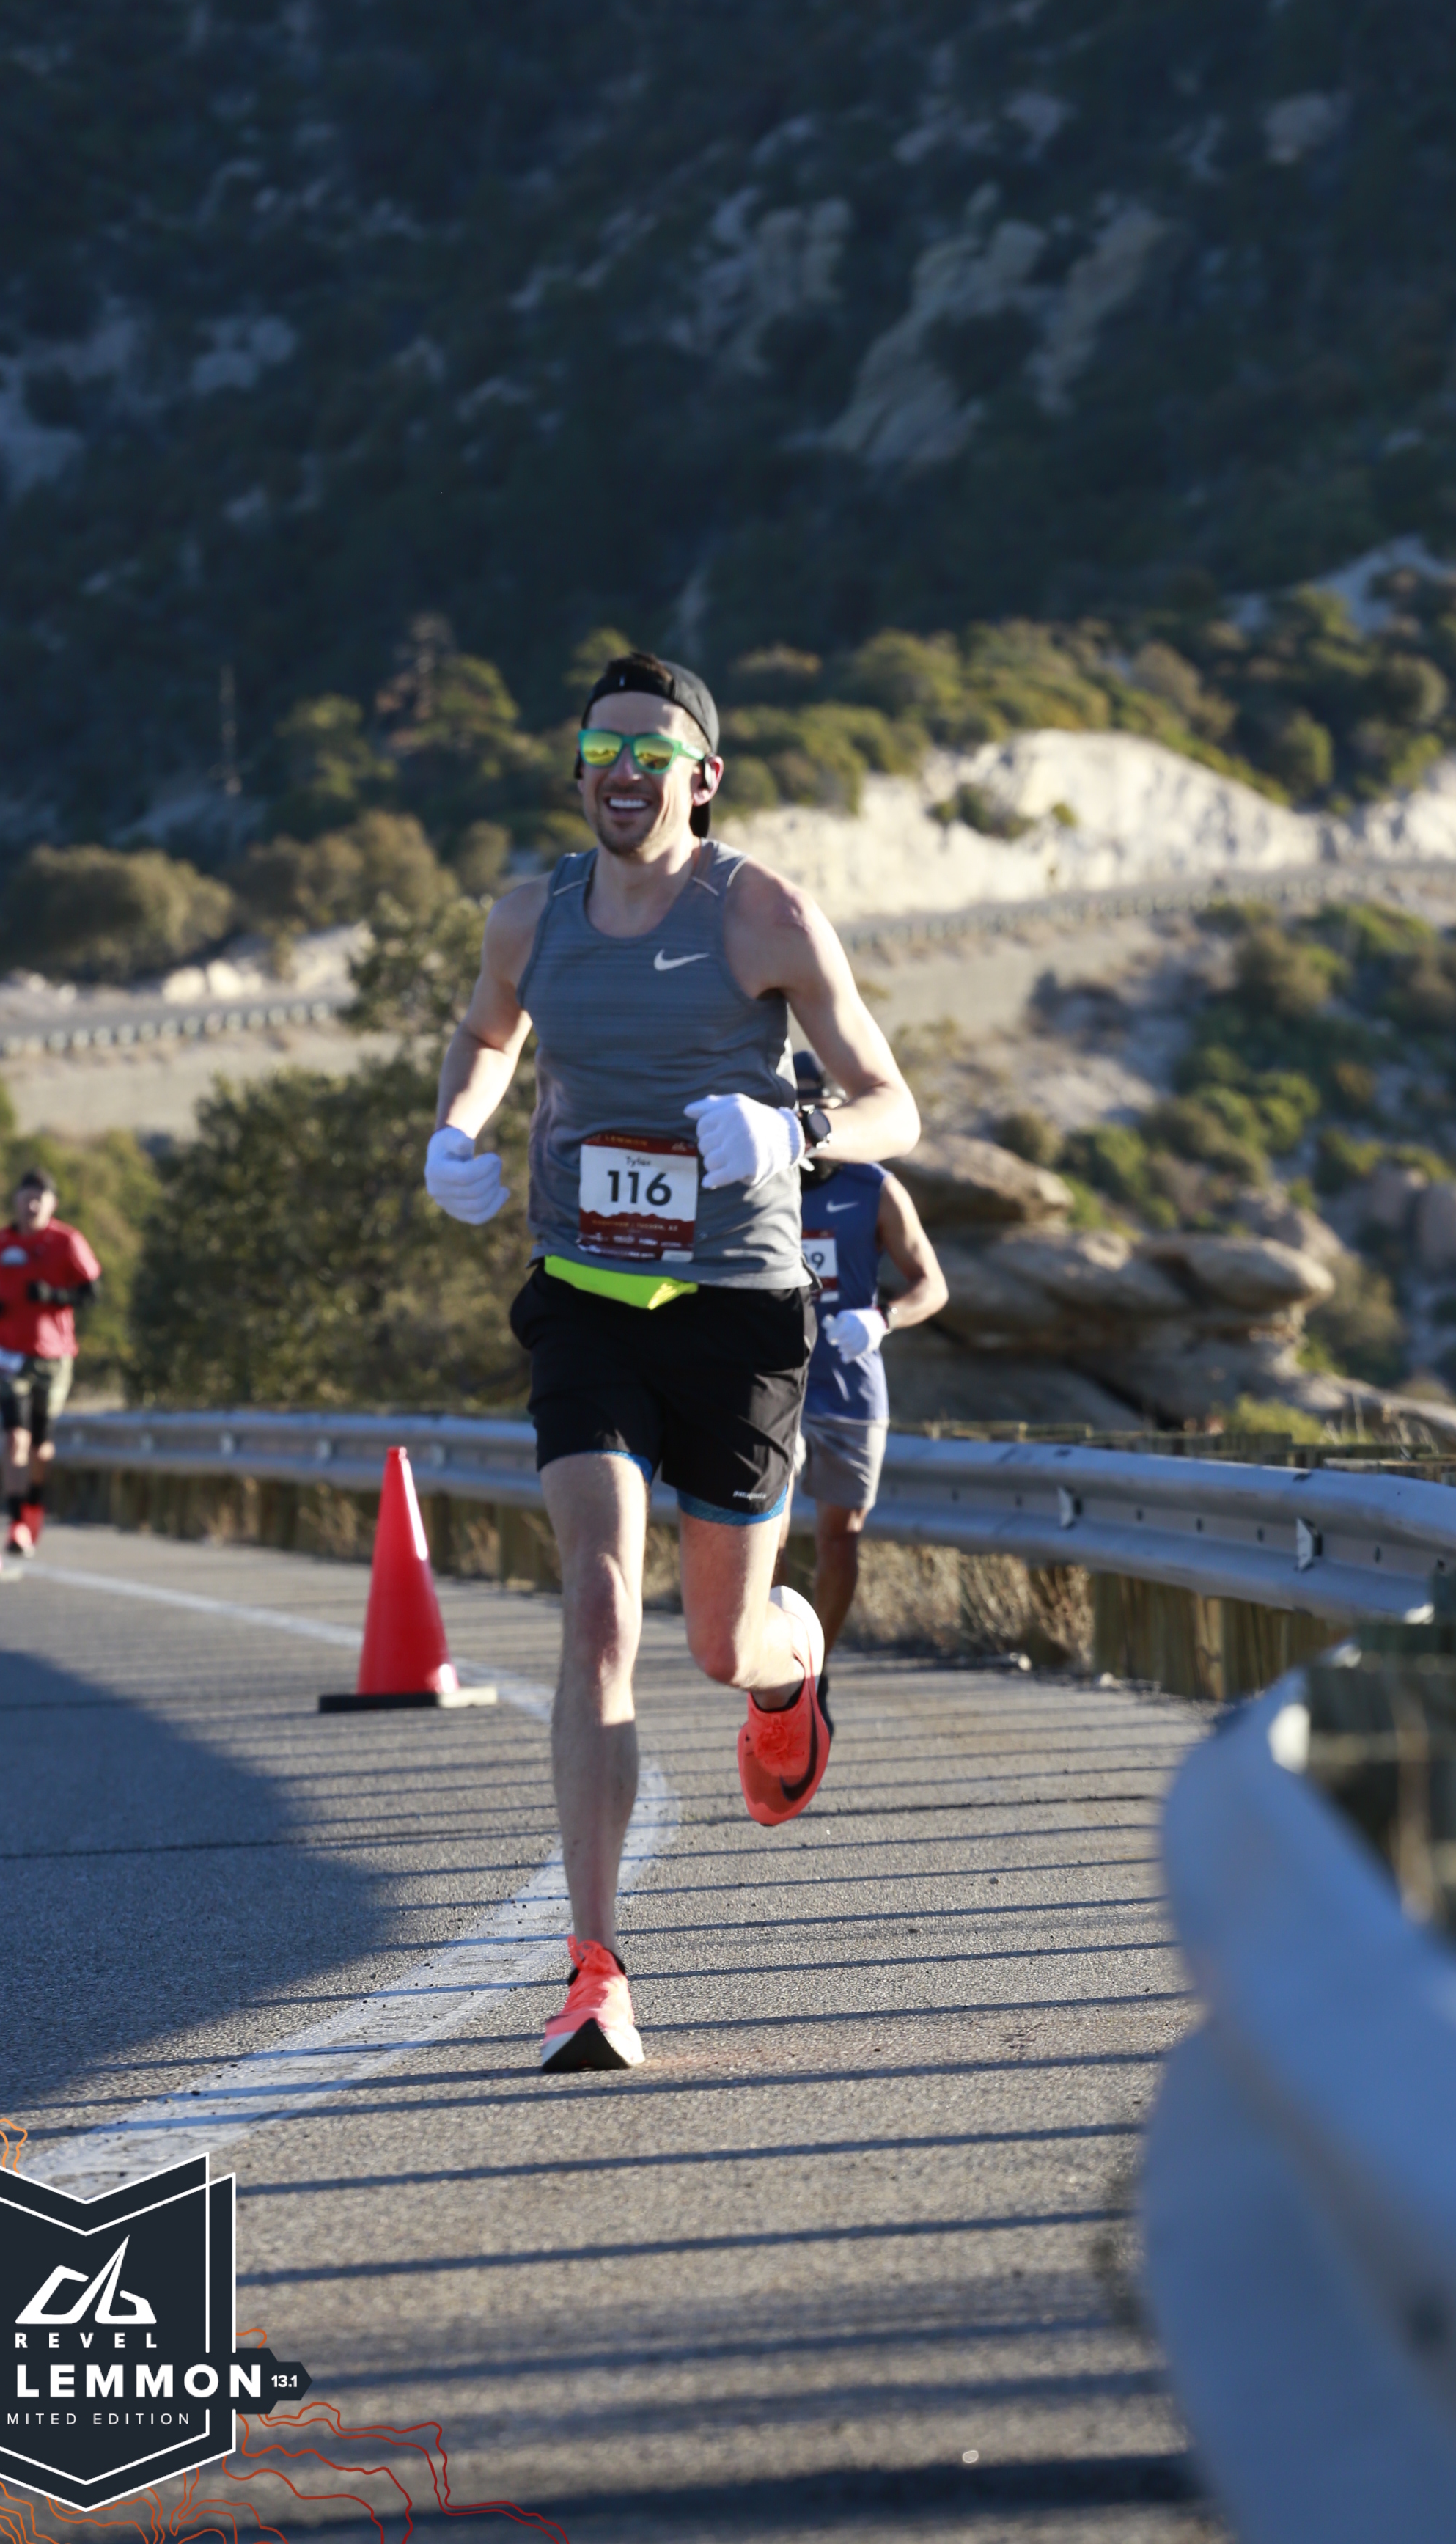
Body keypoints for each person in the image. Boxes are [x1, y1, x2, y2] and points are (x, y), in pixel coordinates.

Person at [424, 648, 920, 2074]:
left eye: (653, 755)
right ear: (577, 770)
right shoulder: (532, 915)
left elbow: (894, 1103)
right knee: (595, 1606)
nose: (624, 775)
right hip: (585, 1293)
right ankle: (594, 1973)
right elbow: (484, 1032)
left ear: (703, 778)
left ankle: (789, 1669)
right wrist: (456, 1130)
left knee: (717, 1641)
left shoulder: (762, 914)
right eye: (603, 752)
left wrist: (795, 1132)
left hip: (738, 1309)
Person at [780, 1051, 948, 1663]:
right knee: (765, 1538)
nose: (803, 1118)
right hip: (776, 1389)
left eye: (815, 1107)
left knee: (840, 1539)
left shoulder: (874, 1188)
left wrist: (882, 1318)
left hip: (850, 1390)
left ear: (838, 1110)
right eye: (792, 1105)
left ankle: (814, 1669)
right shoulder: (756, 1186)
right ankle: (774, 1670)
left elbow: (932, 1285)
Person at [0, 1171, 101, 1557]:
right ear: (15, 1200)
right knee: (15, 1438)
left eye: (39, 1199)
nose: (31, 1206)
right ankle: (15, 1524)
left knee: (41, 1446)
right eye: (26, 1198)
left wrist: (54, 1295)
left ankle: (34, 1504)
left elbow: (92, 1291)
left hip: (53, 1356)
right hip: (7, 1354)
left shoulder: (67, 1241)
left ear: (52, 1205)